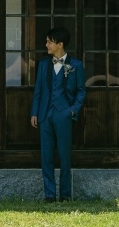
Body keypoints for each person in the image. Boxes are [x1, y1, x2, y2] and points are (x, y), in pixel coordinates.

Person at [30, 27, 86, 202]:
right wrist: (34, 112)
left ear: (59, 44)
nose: (46, 44)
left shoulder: (75, 65)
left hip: (64, 115)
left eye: (49, 42)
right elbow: (38, 90)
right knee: (46, 156)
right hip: (45, 114)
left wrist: (72, 110)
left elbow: (81, 91)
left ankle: (65, 195)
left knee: (64, 156)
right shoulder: (43, 64)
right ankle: (49, 195)